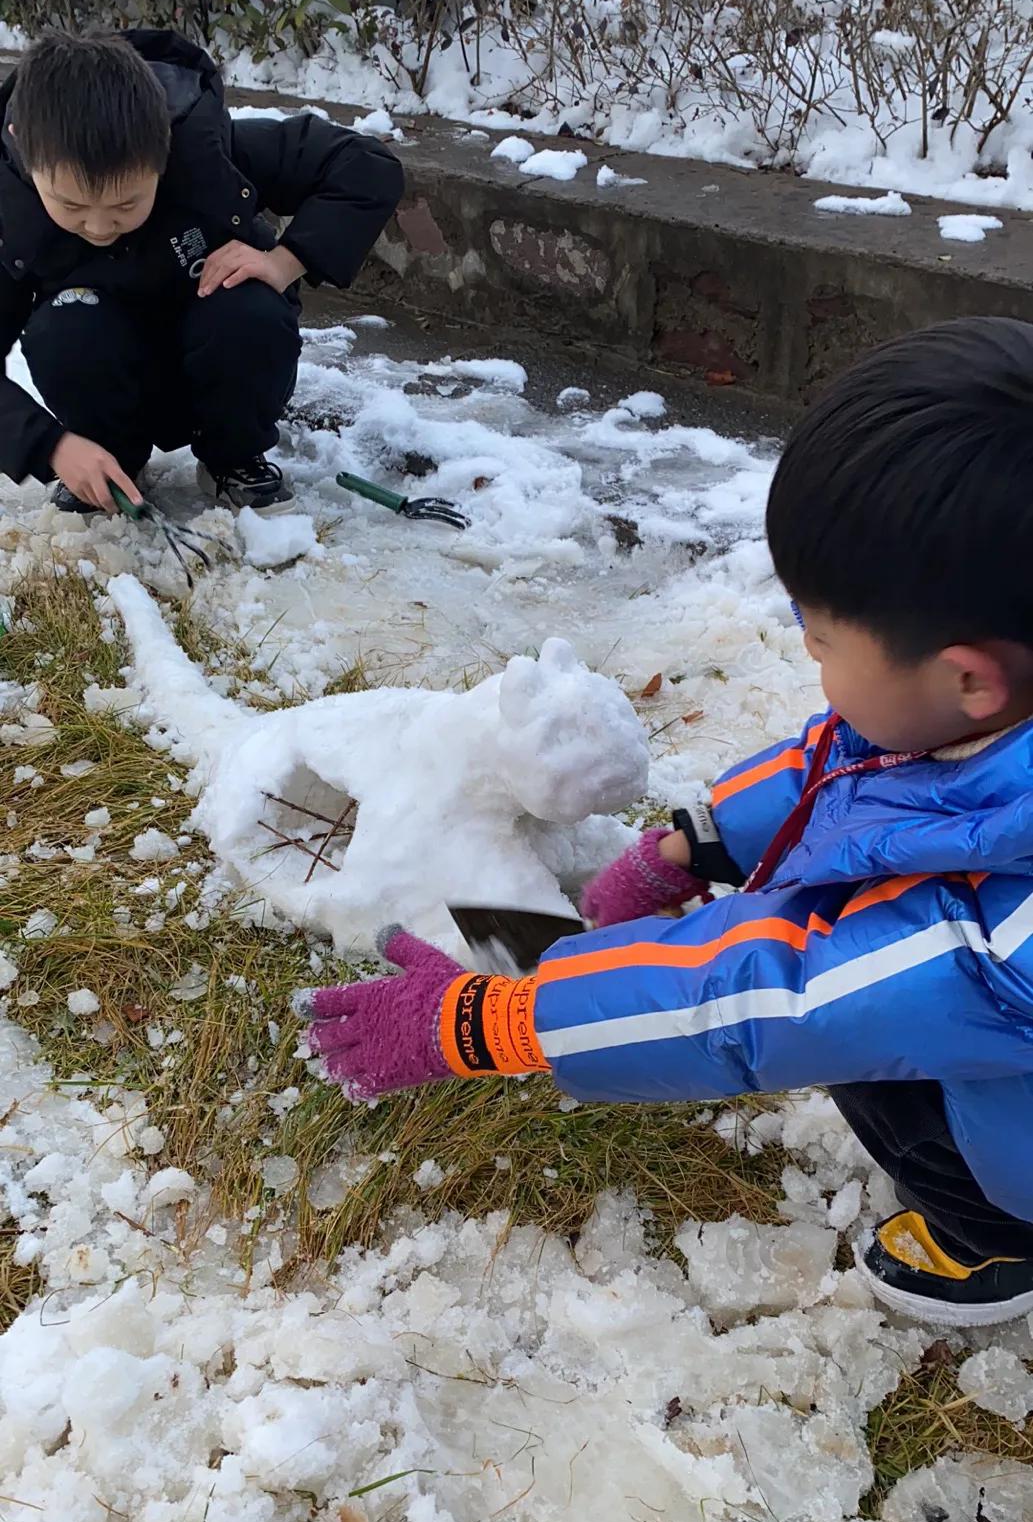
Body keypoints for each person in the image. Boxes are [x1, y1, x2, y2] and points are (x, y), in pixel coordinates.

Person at [296, 316, 1033, 1330]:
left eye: (820, 637)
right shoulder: (984, 712)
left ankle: (986, 1240)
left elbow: (768, 1000)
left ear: (967, 677)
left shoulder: (1006, 940)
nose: (810, 660)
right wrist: (695, 840)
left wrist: (499, 1020)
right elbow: (845, 755)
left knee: (868, 1037)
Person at [0, 29, 403, 517]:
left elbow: (366, 165)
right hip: (103, 379)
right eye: (71, 206)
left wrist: (285, 260)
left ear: (162, 145)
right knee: (63, 327)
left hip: (223, 367)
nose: (100, 226)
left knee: (249, 307)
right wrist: (53, 447)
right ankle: (111, 461)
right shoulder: (10, 213)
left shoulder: (208, 156)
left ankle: (234, 460)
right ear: (23, 148)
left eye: (127, 203)